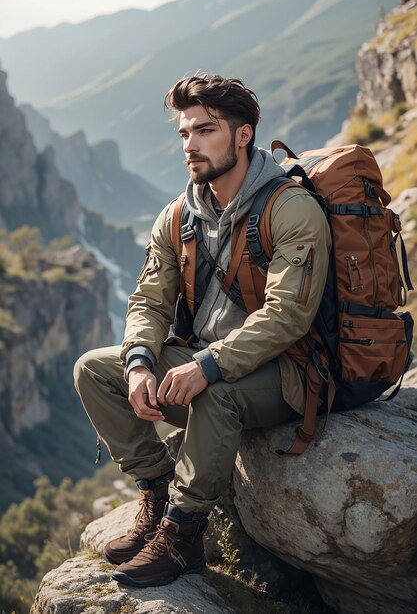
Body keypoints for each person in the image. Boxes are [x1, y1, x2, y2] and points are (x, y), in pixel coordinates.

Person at [73, 73, 331, 589]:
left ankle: (184, 533)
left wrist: (207, 366)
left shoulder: (291, 209)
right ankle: (157, 488)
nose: (190, 144)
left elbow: (287, 316)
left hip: (287, 372)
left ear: (243, 134)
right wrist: (141, 361)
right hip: (205, 362)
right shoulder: (177, 217)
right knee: (94, 370)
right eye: (184, 133)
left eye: (205, 130)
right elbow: (148, 300)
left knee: (219, 393)